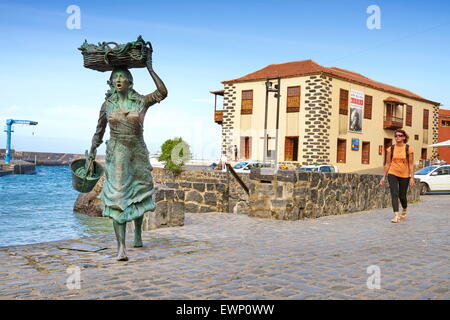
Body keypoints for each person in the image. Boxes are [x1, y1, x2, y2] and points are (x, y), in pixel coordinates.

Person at [89, 51, 167, 261]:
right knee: (118, 197)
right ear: (111, 83)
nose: (119, 80)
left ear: (130, 82)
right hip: (117, 154)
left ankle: (138, 233)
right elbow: (99, 130)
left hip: (137, 152)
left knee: (139, 192)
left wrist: (150, 68)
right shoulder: (107, 105)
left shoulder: (140, 102)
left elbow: (162, 92)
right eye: (116, 78)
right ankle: (121, 247)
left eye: (123, 77)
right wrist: (92, 152)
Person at [379, 129, 415, 223]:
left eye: (399, 135)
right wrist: (384, 176)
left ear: (404, 137)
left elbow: (411, 164)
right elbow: (387, 163)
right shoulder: (390, 148)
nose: (397, 137)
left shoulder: (408, 149)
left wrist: (412, 177)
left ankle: (404, 208)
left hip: (405, 174)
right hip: (392, 173)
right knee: (394, 193)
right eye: (396, 136)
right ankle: (396, 215)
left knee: (402, 195)